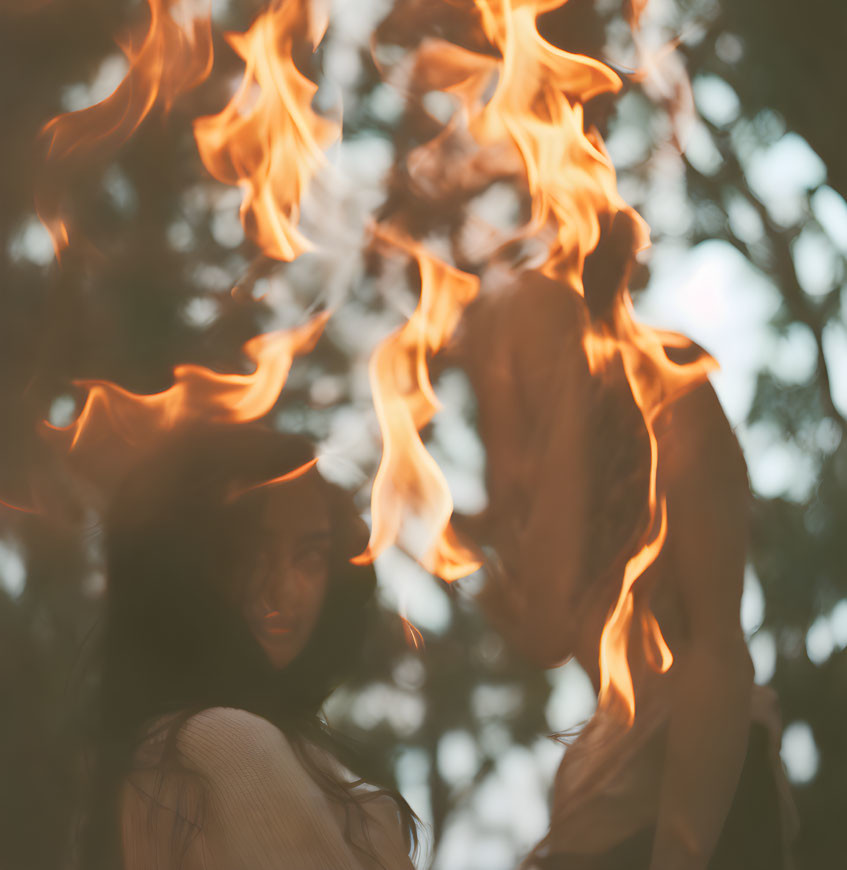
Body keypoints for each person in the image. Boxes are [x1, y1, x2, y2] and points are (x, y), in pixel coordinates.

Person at [455, 246, 797, 870]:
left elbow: (715, 643)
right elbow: (547, 630)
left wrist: (681, 849)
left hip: (699, 768)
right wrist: (563, 413)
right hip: (603, 784)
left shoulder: (673, 389)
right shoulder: (541, 478)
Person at [76, 421, 418, 870]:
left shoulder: (176, 744)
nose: (283, 590)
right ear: (189, 563)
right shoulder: (227, 743)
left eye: (309, 556)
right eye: (251, 553)